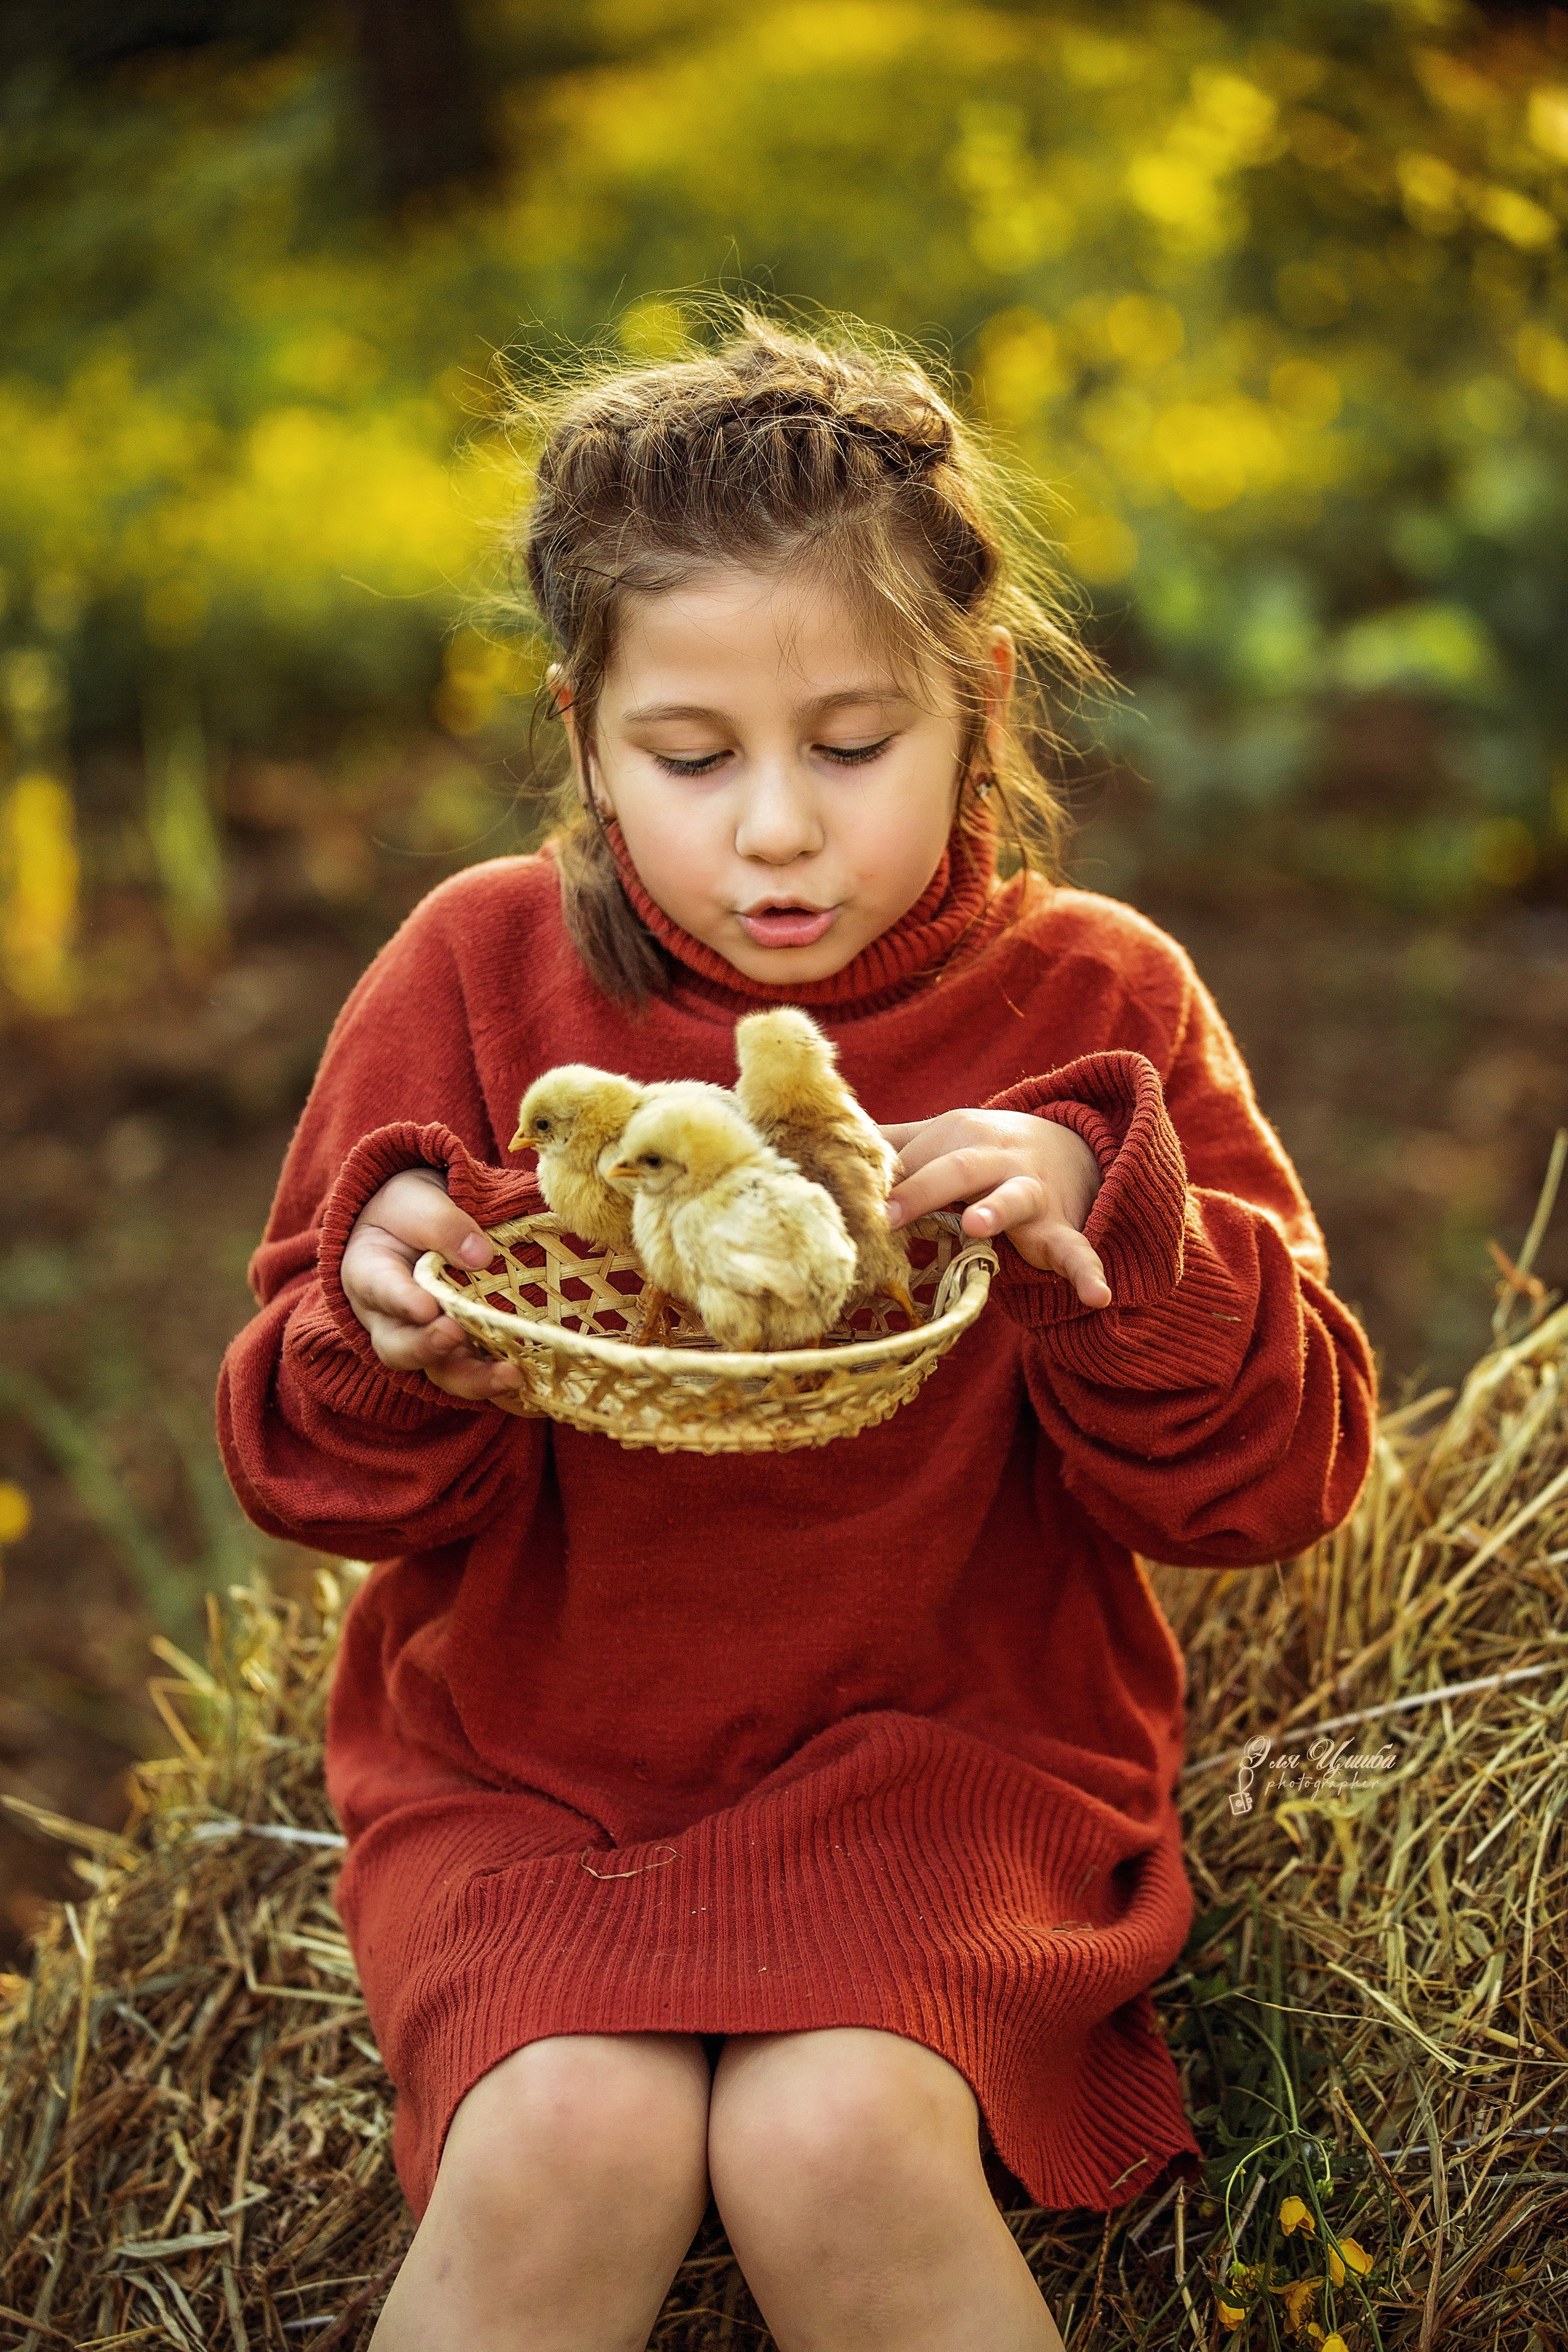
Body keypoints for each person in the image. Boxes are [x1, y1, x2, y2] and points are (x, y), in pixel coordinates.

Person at [218, 314, 1376, 2352]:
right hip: (540, 1772)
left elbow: (1279, 1480)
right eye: (691, 758)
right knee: (566, 2136)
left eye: (853, 749)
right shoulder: (476, 980)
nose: (775, 830)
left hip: (949, 1749)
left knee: (835, 2133)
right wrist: (382, 1315)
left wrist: (1119, 1221)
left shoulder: (1099, 1011)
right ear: (586, 734)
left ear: (979, 700)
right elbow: (307, 1471)